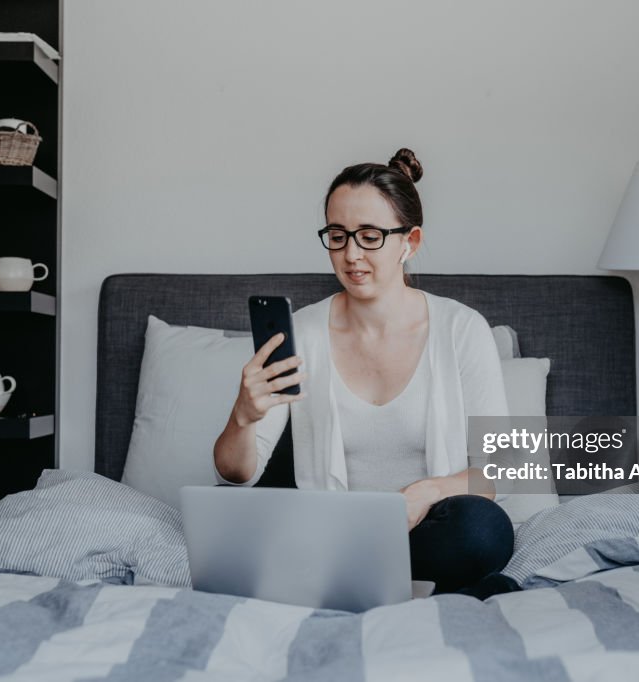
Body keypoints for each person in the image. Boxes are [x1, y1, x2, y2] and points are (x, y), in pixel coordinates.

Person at [213, 148, 518, 597]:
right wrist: (243, 416)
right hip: (327, 533)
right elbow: (235, 474)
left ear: (409, 242)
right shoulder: (302, 333)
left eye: (370, 236)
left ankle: (354, 585)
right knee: (236, 522)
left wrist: (424, 493)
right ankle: (431, 595)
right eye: (338, 235)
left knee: (482, 531)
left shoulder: (462, 329)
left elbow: (503, 471)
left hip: (426, 531)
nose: (351, 254)